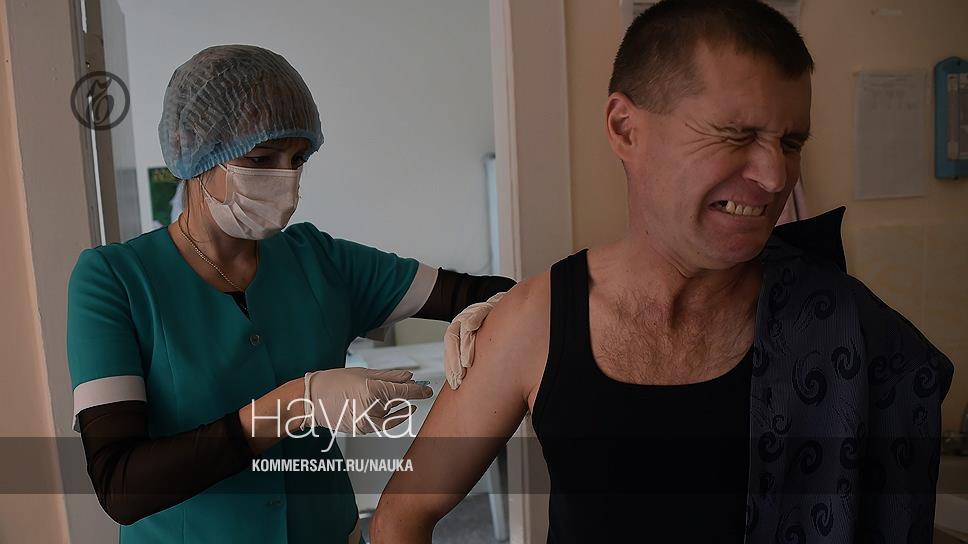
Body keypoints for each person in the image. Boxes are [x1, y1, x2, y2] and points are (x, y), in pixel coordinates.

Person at [370, 1, 954, 542]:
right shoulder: (534, 323)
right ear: (626, 129)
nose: (776, 176)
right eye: (738, 135)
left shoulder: (843, 323)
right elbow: (403, 513)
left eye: (791, 142)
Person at [66, 44, 514, 544]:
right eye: (261, 158)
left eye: (297, 159)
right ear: (188, 146)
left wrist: (487, 311)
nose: (285, 178)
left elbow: (490, 293)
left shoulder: (320, 260)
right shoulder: (113, 281)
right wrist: (299, 401)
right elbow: (120, 485)